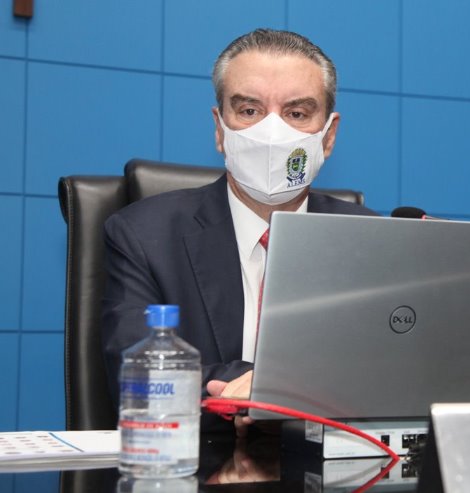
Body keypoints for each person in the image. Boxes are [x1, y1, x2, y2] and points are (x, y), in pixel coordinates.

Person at [101, 29, 378, 432]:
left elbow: (396, 376)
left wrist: (271, 389)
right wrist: (273, 388)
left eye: (297, 114)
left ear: (328, 136)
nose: (271, 134)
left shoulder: (372, 242)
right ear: (220, 128)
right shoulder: (143, 236)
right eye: (249, 111)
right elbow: (138, 377)